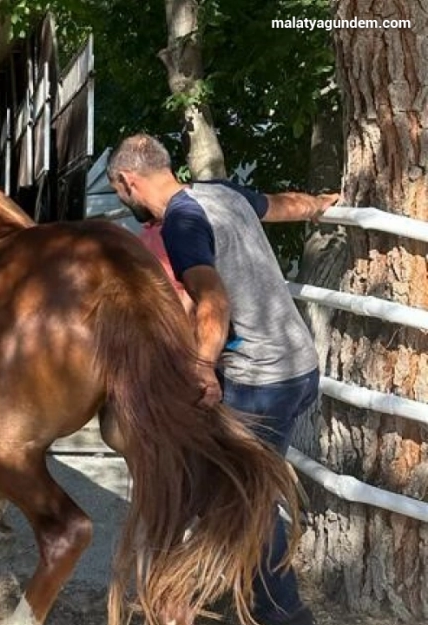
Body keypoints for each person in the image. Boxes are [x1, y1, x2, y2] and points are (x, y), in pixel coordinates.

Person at [107, 133, 339, 625]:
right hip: (299, 366)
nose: (124, 201)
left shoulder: (181, 221)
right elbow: (278, 205)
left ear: (128, 181)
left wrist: (200, 367)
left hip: (261, 379)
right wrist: (319, 205)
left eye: (119, 191)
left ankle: (281, 614)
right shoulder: (222, 193)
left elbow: (212, 300)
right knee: (232, 486)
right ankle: (190, 596)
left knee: (238, 494)